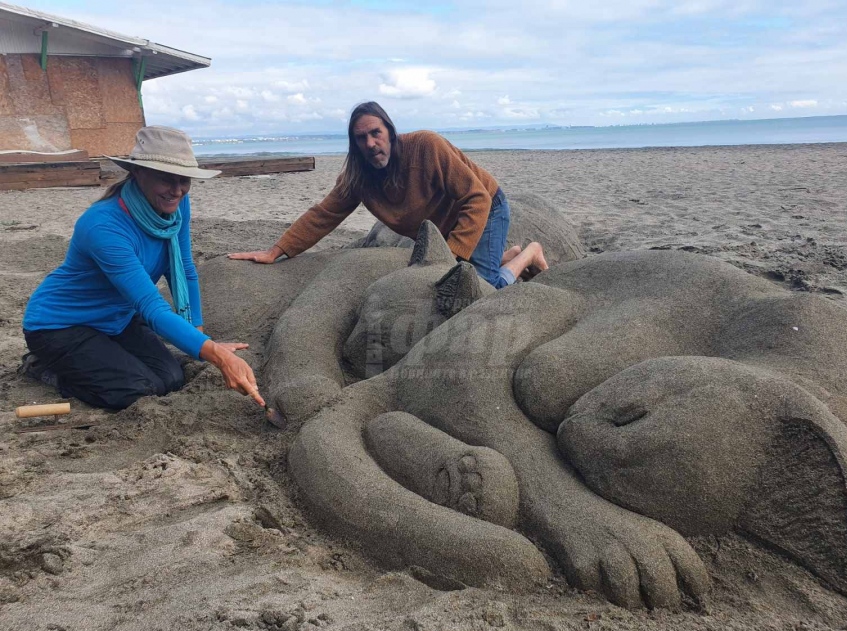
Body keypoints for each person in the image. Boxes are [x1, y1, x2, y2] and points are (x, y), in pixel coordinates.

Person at [21, 126, 265, 410]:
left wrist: (201, 339)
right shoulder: (103, 225)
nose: (177, 190)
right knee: (138, 391)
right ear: (138, 173)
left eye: (184, 180)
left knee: (171, 378)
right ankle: (43, 368)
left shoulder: (176, 207)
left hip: (117, 318)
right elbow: (151, 306)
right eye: (166, 179)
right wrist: (218, 356)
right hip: (61, 325)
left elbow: (183, 270)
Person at [228, 101, 548, 287]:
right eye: (361, 138)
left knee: (481, 290)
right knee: (458, 279)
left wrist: (448, 257)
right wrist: (277, 250)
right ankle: (498, 259)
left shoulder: (426, 146)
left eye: (375, 133)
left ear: (390, 132)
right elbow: (323, 215)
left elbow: (476, 198)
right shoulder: (359, 177)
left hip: (486, 208)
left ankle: (528, 254)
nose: (370, 144)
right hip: (445, 229)